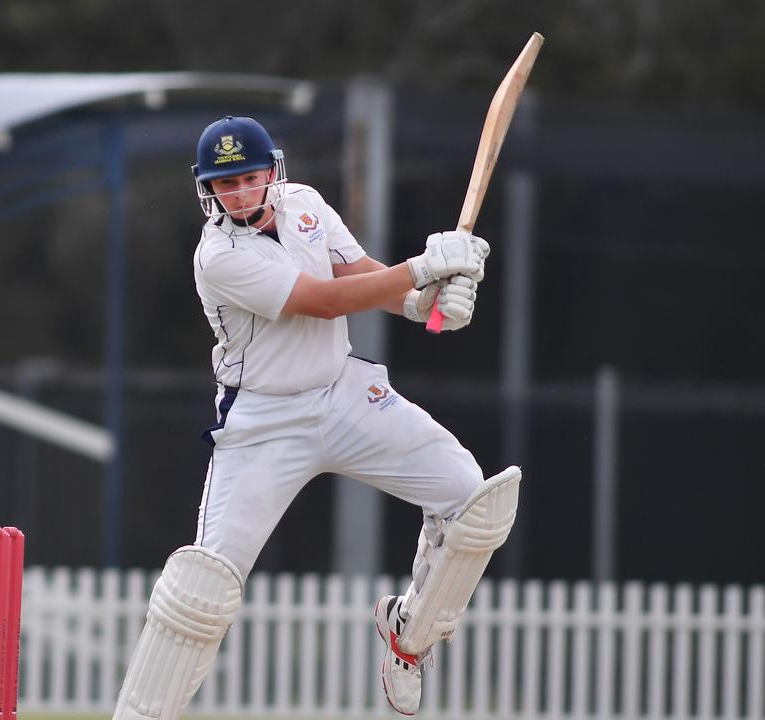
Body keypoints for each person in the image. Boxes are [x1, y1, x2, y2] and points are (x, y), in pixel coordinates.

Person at [111, 117, 521, 719]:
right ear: (208, 189)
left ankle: (408, 640)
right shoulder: (219, 256)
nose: (243, 194)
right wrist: (422, 270)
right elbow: (321, 301)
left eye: (251, 178)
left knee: (470, 496)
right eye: (228, 184)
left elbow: (356, 277)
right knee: (201, 592)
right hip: (263, 424)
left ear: (271, 171)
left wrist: (421, 303)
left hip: (342, 394)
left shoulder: (303, 203)